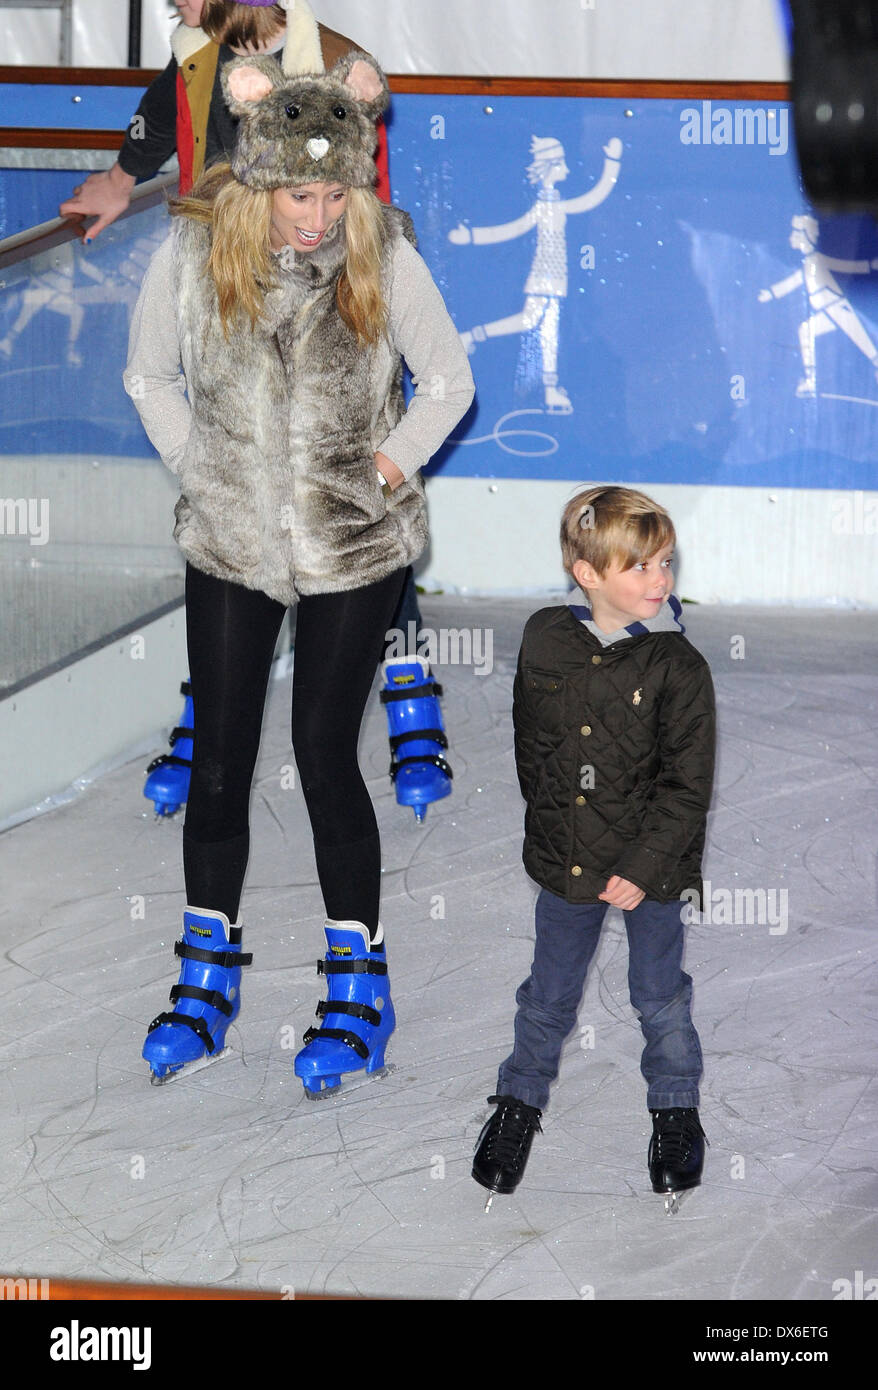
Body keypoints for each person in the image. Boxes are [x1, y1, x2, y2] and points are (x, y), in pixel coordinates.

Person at [123, 51, 474, 1095]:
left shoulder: (382, 253)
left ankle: (355, 983)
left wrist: (384, 466)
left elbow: (447, 381)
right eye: (293, 196)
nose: (312, 218)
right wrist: (203, 467)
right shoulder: (194, 251)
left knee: (324, 754)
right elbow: (148, 372)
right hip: (232, 538)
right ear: (256, 181)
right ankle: (205, 981)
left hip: (349, 544)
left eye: (328, 194)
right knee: (220, 761)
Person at [472, 486, 715, 1209]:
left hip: (654, 870)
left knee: (659, 996)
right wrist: (552, 831)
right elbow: (532, 747)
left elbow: (686, 787)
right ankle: (518, 1104)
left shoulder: (678, 668)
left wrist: (642, 868)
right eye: (640, 568)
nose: (660, 581)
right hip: (565, 859)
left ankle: (674, 1111)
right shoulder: (545, 637)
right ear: (588, 574)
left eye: (665, 563)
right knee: (547, 996)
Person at [59, 1, 389, 237]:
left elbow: (367, 195)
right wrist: (119, 179)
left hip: (305, 270)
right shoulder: (197, 49)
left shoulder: (335, 70)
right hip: (214, 248)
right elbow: (155, 115)